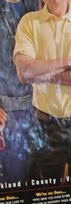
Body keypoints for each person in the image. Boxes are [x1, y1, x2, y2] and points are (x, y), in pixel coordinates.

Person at [13, 0, 71, 181]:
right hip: (46, 125)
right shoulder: (29, 23)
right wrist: (66, 62)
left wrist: (45, 74)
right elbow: (25, 71)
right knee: (42, 197)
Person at [0, 0, 39, 184]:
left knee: (41, 186)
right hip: (7, 114)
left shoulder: (37, 5)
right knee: (15, 185)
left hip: (41, 111)